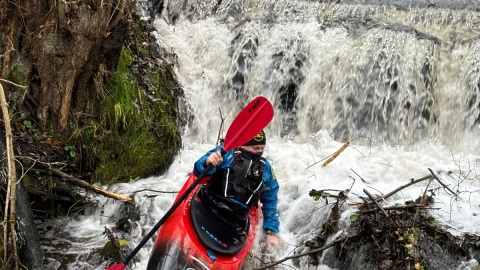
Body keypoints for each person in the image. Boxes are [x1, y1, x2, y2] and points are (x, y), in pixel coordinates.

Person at [193, 130, 282, 247]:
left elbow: (271, 200)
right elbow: (198, 169)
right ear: (243, 144)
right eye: (256, 148)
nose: (259, 152)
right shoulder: (227, 152)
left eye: (262, 148)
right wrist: (207, 163)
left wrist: (271, 231)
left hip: (235, 222)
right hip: (208, 206)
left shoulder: (266, 169)